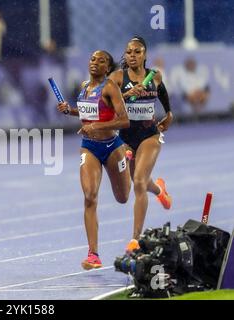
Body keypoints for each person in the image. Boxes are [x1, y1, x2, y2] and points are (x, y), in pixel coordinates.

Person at [57, 50, 131, 270]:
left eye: (101, 61)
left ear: (107, 68)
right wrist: (69, 110)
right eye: (92, 59)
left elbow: (124, 120)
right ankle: (93, 255)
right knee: (89, 196)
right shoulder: (84, 87)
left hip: (112, 147)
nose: (95, 63)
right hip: (89, 147)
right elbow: (86, 115)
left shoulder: (110, 88)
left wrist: (97, 126)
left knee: (123, 197)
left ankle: (126, 158)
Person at [109, 36, 173, 251]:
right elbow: (106, 104)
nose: (132, 55)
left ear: (145, 54)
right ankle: (160, 191)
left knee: (138, 182)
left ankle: (135, 239)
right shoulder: (117, 77)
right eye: (129, 52)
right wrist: (126, 95)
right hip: (126, 137)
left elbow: (162, 92)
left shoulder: (154, 76)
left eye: (137, 51)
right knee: (142, 183)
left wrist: (169, 113)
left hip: (150, 135)